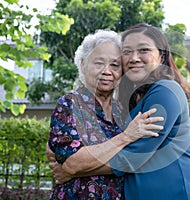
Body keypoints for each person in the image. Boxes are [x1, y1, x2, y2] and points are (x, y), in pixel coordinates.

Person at [50, 23, 190, 200]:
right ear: (83, 65)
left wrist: (73, 172)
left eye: (143, 50)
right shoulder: (122, 105)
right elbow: (59, 149)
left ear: (161, 55)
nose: (134, 58)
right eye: (127, 52)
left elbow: (133, 156)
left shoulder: (165, 90)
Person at [47, 29, 164, 200]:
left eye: (115, 65)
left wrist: (182, 148)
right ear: (82, 64)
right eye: (99, 63)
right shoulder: (70, 104)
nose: (107, 71)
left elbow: (140, 154)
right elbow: (73, 162)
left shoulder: (124, 110)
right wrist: (125, 137)